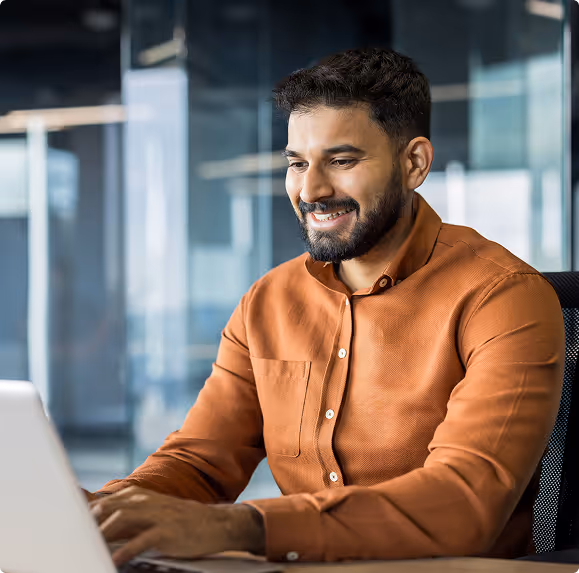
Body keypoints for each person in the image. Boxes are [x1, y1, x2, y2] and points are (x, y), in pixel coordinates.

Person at [87, 47, 565, 567]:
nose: (310, 190)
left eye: (341, 161)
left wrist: (244, 525)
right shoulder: (267, 303)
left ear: (414, 163)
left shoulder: (503, 297)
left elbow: (464, 500)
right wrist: (107, 511)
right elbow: (201, 461)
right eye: (297, 163)